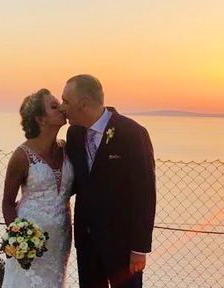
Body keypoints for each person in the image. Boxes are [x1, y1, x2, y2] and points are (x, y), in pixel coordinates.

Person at [62, 74, 156, 288]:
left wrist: (139, 249)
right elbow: (75, 181)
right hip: (87, 244)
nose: (62, 107)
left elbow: (145, 193)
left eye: (66, 101)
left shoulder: (132, 133)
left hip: (122, 246)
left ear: (83, 103)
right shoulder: (74, 134)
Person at [1, 88, 75, 288]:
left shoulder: (68, 149)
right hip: (30, 242)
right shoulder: (21, 156)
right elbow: (7, 203)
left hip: (60, 237)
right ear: (40, 119)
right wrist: (18, 239)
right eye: (53, 106)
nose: (61, 108)